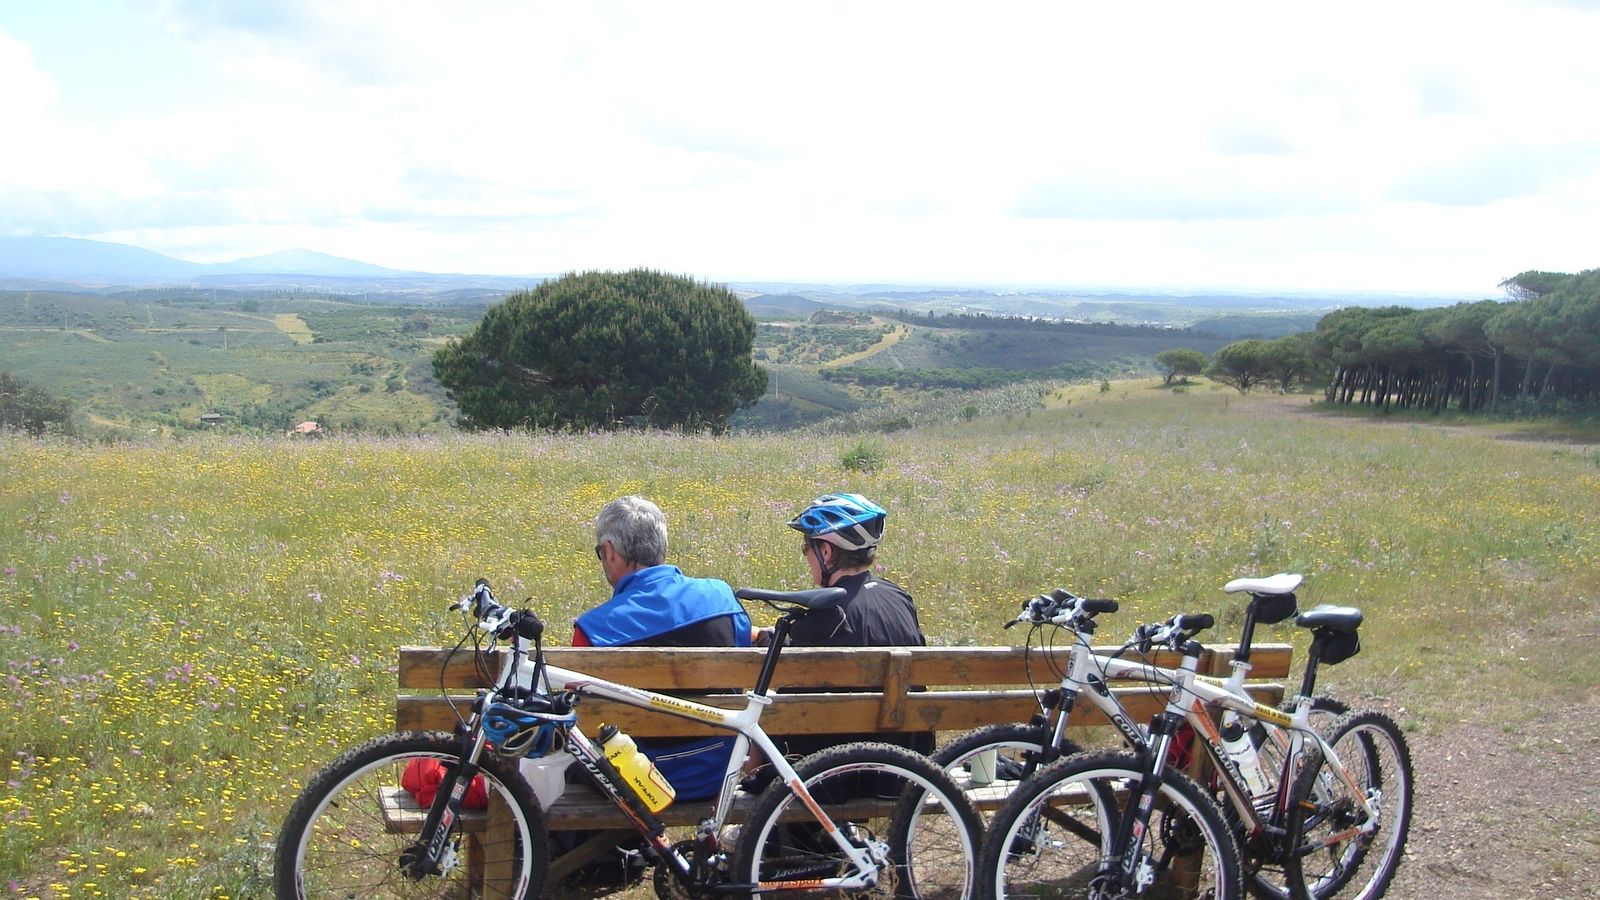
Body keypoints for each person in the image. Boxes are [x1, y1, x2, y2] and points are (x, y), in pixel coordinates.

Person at [572, 495, 752, 794]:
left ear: (610, 551)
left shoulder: (594, 630)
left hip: (635, 783)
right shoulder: (722, 599)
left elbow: (582, 718)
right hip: (719, 769)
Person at [774, 492, 935, 759]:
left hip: (835, 769)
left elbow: (787, 689)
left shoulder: (827, 613)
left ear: (826, 552)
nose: (806, 557)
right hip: (908, 764)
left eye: (807, 548)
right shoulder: (899, 598)